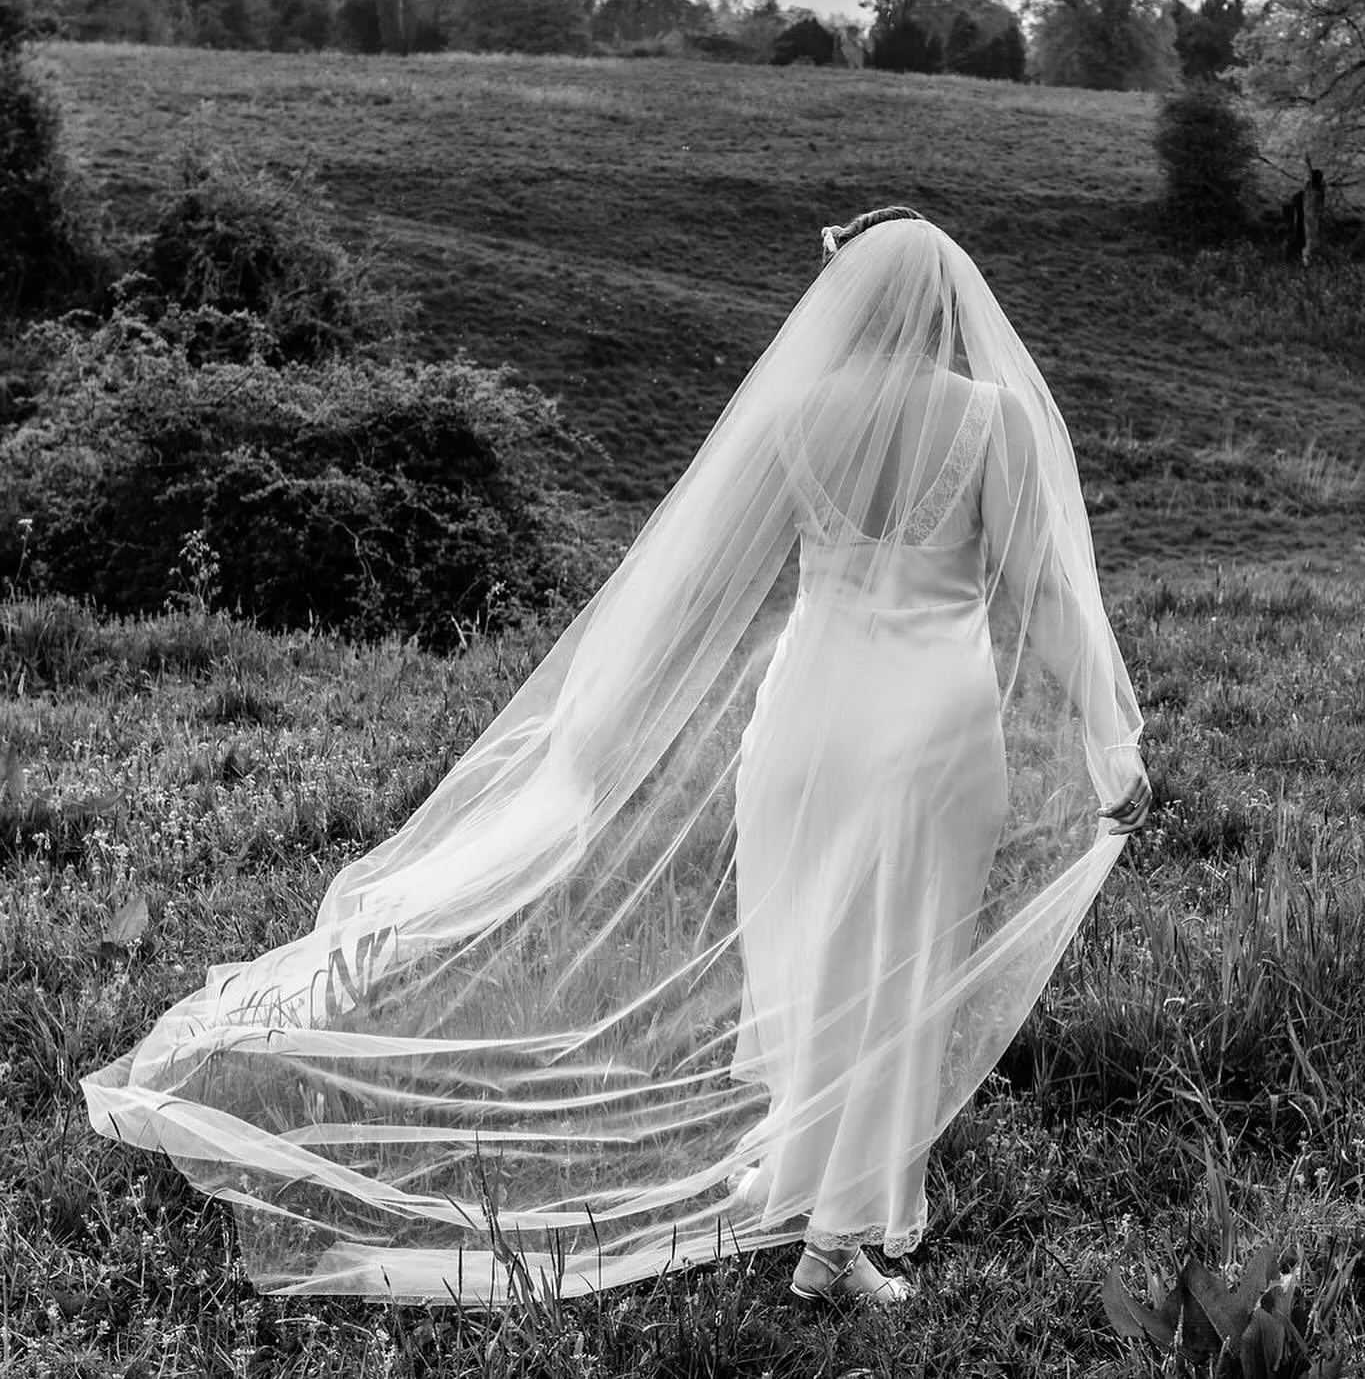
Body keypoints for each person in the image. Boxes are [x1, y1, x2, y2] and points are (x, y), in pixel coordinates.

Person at [84, 209, 1149, 1310]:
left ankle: (800, 1171)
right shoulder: (989, 418)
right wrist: (1109, 738)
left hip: (802, 725)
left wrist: (595, 718)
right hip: (928, 731)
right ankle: (833, 1243)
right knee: (895, 969)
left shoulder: (795, 412)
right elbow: (1044, 594)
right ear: (942, 305)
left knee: (812, 946)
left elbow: (698, 583)